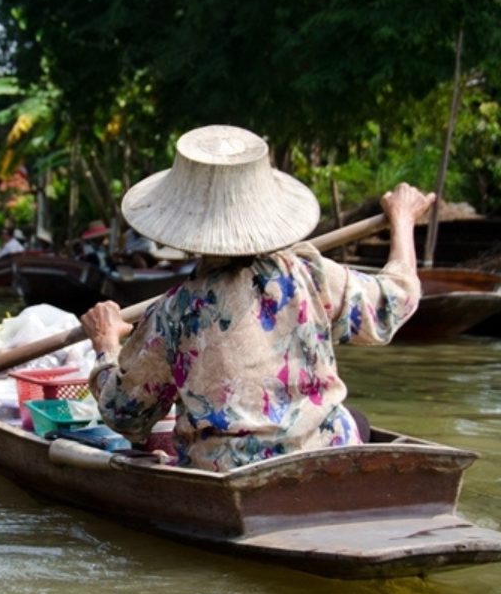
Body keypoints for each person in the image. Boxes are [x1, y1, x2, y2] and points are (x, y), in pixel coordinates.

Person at [80, 124, 435, 472]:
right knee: (356, 421)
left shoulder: (174, 311)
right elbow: (394, 302)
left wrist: (106, 345)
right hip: (324, 457)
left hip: (231, 470)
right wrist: (402, 220)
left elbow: (124, 415)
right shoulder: (309, 271)